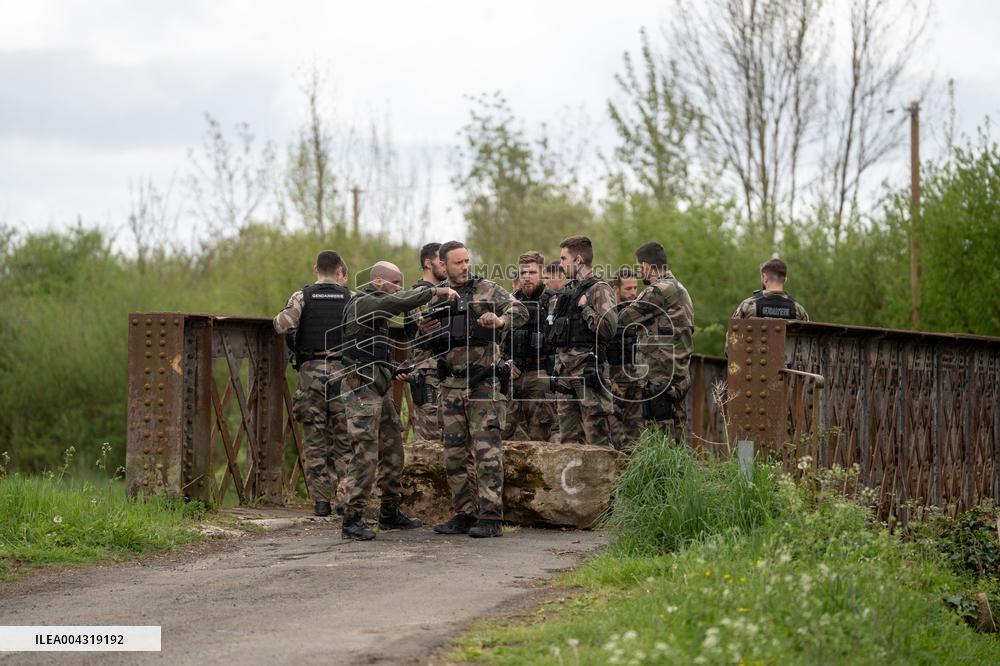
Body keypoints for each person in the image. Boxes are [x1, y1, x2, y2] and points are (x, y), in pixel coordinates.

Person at [338, 261, 459, 540]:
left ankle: (389, 512)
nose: (398, 289)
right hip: (362, 392)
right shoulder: (363, 303)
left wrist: (394, 369)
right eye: (395, 283)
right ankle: (351, 519)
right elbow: (397, 302)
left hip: (378, 388)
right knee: (365, 454)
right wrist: (434, 293)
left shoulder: (375, 313)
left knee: (393, 451)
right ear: (379, 282)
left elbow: (371, 352)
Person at [425, 241, 528, 538]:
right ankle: (463, 513)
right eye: (458, 262)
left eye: (467, 260)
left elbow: (520, 311)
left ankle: (491, 515)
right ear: (442, 265)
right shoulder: (436, 297)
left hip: (483, 385)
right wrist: (424, 332)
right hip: (450, 385)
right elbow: (427, 343)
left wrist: (500, 320)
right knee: (454, 455)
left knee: (487, 453)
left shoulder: (487, 289)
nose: (464, 266)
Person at [273, 250, 352, 518]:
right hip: (344, 373)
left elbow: (282, 325)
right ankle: (346, 500)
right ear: (340, 270)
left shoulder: (302, 297)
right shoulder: (351, 298)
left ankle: (321, 503)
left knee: (315, 439)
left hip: (311, 374)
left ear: (315, 268)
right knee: (345, 438)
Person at [618, 242, 694, 441]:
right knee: (676, 435)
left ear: (646, 266)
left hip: (660, 378)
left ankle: (660, 474)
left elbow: (623, 319)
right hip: (677, 376)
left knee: (659, 440)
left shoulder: (658, 291)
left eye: (639, 267)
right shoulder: (680, 289)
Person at [547, 236, 618, 447]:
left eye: (563, 259)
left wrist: (585, 309)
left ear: (578, 260)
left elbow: (609, 329)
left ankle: (603, 482)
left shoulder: (600, 289)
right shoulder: (567, 292)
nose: (560, 265)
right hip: (565, 374)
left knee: (597, 441)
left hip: (588, 374)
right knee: (568, 442)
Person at [502, 251, 559, 443]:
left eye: (532, 272)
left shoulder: (555, 302)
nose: (527, 277)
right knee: (507, 436)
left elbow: (562, 344)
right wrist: (505, 363)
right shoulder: (509, 302)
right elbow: (496, 341)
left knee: (540, 437)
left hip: (541, 375)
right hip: (512, 377)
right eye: (523, 272)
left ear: (543, 273)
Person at [404, 242, 448, 441]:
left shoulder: (442, 293)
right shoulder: (419, 294)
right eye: (442, 260)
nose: (446, 264)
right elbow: (424, 331)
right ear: (429, 264)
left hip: (442, 375)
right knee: (431, 440)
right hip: (428, 377)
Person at [608, 267, 644, 448]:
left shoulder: (637, 311)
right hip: (612, 383)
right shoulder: (606, 313)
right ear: (616, 289)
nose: (633, 293)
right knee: (614, 437)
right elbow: (597, 348)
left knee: (636, 436)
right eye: (628, 289)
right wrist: (608, 380)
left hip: (634, 381)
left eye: (635, 288)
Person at [732, 257, 810, 321]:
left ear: (765, 278)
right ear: (785, 279)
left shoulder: (747, 306)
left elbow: (731, 336)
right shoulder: (799, 310)